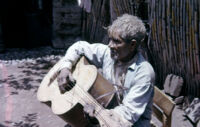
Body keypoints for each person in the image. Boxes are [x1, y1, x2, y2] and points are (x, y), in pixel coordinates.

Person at [56, 14, 155, 127]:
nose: (110, 45)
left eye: (117, 41)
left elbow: (128, 114)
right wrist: (65, 68)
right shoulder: (109, 54)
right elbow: (79, 47)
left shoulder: (144, 73)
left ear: (132, 44)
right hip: (107, 111)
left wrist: (98, 115)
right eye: (110, 39)